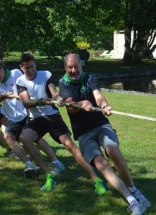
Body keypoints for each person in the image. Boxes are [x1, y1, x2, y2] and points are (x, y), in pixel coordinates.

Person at [58, 53, 151, 215]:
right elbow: (70, 107)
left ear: (81, 65)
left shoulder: (90, 77)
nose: (73, 70)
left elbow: (98, 96)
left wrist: (104, 105)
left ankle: (134, 190)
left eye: (76, 66)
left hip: (100, 124)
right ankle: (132, 201)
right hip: (83, 133)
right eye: (70, 67)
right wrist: (81, 104)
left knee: (113, 151)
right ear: (65, 68)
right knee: (100, 164)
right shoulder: (63, 82)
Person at [16, 52, 100, 193]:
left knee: (70, 146)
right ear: (21, 68)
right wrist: (40, 101)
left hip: (52, 116)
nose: (30, 70)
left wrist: (57, 97)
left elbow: (53, 91)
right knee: (25, 138)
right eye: (26, 68)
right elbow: (25, 102)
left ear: (35, 64)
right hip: (37, 119)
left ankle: (95, 178)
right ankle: (49, 176)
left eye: (32, 67)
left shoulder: (45, 75)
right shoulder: (20, 81)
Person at [0, 57, 65, 178]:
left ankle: (56, 162)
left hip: (27, 113)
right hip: (13, 117)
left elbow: (28, 87)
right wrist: (3, 96)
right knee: (9, 137)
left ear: (1, 68)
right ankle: (30, 165)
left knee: (37, 139)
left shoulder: (16, 73)